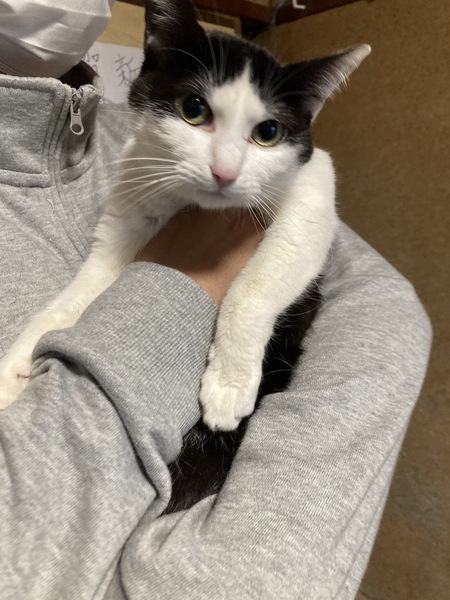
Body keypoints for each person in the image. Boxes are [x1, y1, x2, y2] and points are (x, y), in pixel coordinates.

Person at [0, 1, 432, 598]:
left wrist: (244, 320)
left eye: (266, 132)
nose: (226, 169)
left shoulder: (118, 132)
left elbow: (325, 193)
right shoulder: (137, 157)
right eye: (196, 110)